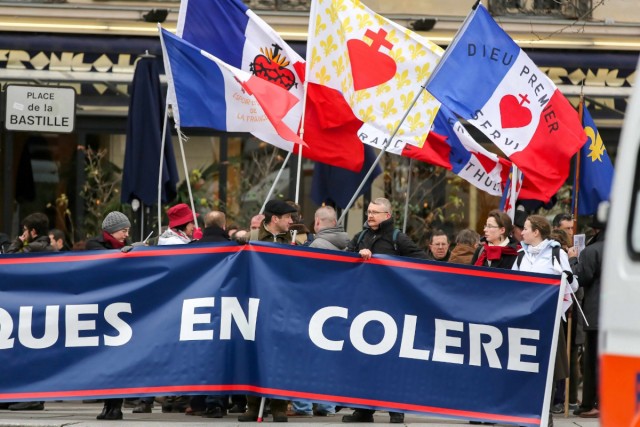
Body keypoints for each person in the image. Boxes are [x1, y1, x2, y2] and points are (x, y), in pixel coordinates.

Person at [343, 198, 425, 424]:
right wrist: (358, 257)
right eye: (368, 212)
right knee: (363, 359)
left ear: (387, 215)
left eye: (375, 213)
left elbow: (424, 263)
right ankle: (363, 409)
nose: (369, 216)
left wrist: (389, 265)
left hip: (392, 308)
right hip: (364, 307)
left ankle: (395, 410)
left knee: (391, 360)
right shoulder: (360, 237)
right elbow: (344, 261)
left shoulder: (399, 239)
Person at [512, 215, 580, 427]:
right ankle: (526, 410)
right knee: (525, 367)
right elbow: (512, 284)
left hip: (549, 320)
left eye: (525, 229)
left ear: (537, 231)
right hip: (525, 321)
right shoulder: (521, 256)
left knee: (548, 369)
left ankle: (545, 414)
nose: (522, 233)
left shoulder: (555, 253)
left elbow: (574, 286)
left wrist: (566, 277)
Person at [238, 199, 298, 423]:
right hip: (256, 303)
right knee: (254, 353)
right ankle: (253, 405)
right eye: (288, 218)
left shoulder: (293, 240)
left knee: (280, 356)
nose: (291, 221)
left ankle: (278, 406)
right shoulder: (252, 238)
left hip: (282, 305)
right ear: (275, 219)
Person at [288, 205, 345, 418]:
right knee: (327, 359)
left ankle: (303, 406)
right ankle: (327, 405)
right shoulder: (347, 244)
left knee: (305, 357)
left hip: (313, 307)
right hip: (335, 308)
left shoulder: (317, 245)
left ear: (318, 223)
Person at [85, 210, 132, 420]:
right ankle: (107, 404)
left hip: (120, 311)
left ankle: (116, 406)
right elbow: (101, 259)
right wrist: (124, 252)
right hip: (100, 310)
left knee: (118, 359)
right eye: (124, 231)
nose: (126, 235)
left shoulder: (123, 248)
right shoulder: (95, 245)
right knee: (104, 360)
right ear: (112, 231)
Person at [4, 212, 53, 412]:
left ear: (32, 232)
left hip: (29, 307)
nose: (22, 234)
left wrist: (17, 242)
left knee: (25, 352)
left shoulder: (32, 248)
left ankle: (30, 396)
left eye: (24, 230)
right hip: (44, 306)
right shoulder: (51, 249)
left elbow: (6, 263)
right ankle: (28, 396)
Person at [568, 216, 604, 419]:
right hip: (618, 313)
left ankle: (594, 403)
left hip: (595, 313)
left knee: (592, 362)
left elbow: (579, 278)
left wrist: (573, 258)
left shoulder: (593, 250)